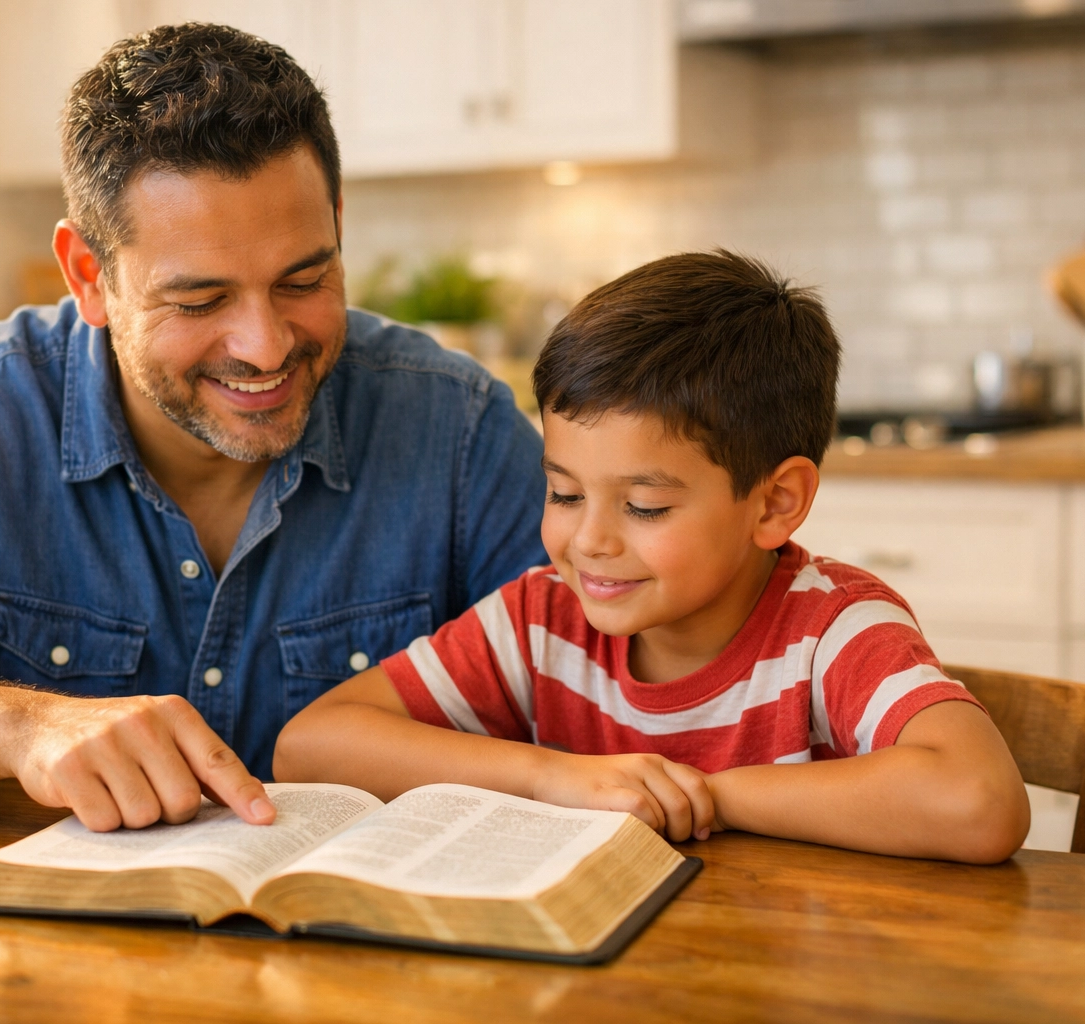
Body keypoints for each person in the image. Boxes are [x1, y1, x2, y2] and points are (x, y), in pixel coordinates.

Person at [0, 24, 547, 833]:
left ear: (338, 228)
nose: (267, 344)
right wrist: (18, 728)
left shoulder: (456, 425)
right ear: (88, 276)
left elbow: (619, 677)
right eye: (200, 299)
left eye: (302, 279)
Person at [275, 251, 1031, 865]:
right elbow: (309, 747)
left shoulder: (831, 628)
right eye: (565, 494)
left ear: (775, 503)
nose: (590, 541)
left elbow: (979, 802)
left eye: (644, 507)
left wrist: (703, 795)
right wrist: (557, 778)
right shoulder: (543, 620)